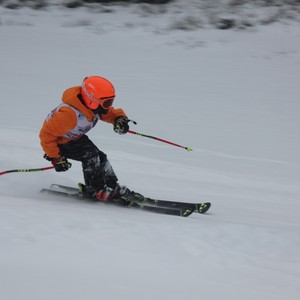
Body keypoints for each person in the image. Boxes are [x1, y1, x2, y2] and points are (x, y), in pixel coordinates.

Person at [39, 75, 130, 201]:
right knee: (91, 156)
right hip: (59, 143)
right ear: (91, 100)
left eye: (110, 102)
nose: (108, 106)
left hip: (75, 138)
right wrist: (55, 158)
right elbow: (46, 135)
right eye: (106, 103)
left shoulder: (94, 107)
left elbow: (109, 113)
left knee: (100, 157)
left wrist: (119, 119)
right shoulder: (69, 115)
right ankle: (95, 190)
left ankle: (111, 185)